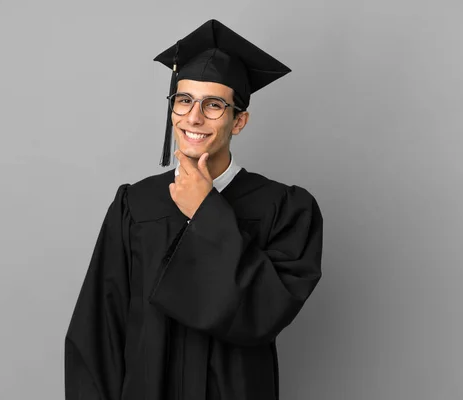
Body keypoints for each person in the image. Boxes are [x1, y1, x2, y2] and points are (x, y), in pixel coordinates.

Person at [65, 19, 323, 400]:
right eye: (184, 100)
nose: (194, 117)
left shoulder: (285, 208)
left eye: (214, 105)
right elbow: (98, 331)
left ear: (240, 121)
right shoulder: (134, 204)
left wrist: (205, 210)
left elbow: (265, 311)